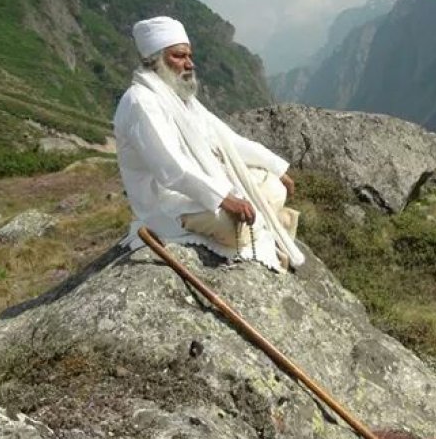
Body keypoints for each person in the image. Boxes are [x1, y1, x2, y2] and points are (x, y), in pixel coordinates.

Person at [114, 16, 304, 271]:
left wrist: (276, 167)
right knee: (235, 227)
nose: (189, 64)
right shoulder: (141, 102)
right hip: (169, 203)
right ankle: (267, 221)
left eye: (189, 56)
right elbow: (172, 168)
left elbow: (228, 141)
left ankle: (263, 220)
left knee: (274, 186)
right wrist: (224, 198)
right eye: (179, 56)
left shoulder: (180, 97)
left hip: (206, 184)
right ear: (154, 60)